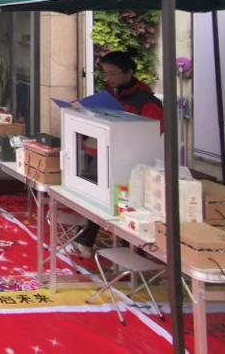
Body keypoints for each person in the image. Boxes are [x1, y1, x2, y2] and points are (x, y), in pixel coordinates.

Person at [62, 51, 164, 257]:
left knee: (126, 206)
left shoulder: (147, 102)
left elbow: (154, 136)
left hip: (130, 164)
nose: (109, 78)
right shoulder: (108, 94)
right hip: (100, 156)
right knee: (92, 200)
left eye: (114, 73)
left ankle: (132, 254)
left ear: (130, 72)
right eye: (106, 73)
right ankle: (84, 242)